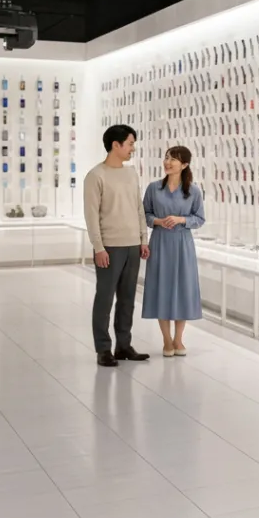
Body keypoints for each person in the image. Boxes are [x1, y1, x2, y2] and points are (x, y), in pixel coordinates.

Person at [83, 125, 150, 368]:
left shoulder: (131, 174)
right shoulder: (95, 175)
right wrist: (98, 247)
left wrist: (143, 239)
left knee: (127, 299)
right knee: (104, 298)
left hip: (133, 245)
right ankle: (103, 349)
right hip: (109, 247)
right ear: (116, 145)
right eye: (130, 144)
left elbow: (138, 208)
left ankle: (123, 345)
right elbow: (91, 215)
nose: (133, 148)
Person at [142, 146, 206, 357]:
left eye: (173, 159)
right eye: (167, 158)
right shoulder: (153, 188)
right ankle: (166, 339)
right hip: (160, 242)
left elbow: (200, 219)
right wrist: (158, 221)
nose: (168, 162)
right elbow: (144, 214)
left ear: (184, 165)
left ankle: (178, 338)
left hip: (182, 244)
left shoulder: (193, 191)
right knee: (161, 287)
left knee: (182, 288)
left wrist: (181, 219)